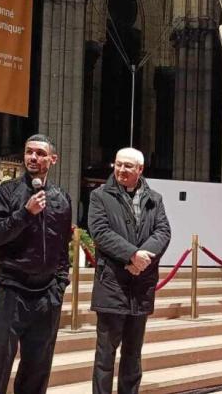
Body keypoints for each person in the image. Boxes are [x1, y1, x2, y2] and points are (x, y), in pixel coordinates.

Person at [0, 134, 72, 394]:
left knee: (37, 368)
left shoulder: (62, 199)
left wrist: (60, 284)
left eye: (41, 153)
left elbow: (63, 249)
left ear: (53, 159)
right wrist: (24, 213)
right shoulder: (5, 192)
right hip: (12, 289)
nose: (34, 157)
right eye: (29, 152)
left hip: (47, 295)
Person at [88, 147, 171, 394]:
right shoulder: (100, 196)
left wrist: (143, 259)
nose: (121, 170)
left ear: (140, 170)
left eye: (128, 166)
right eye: (118, 164)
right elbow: (100, 231)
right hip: (112, 284)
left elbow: (163, 231)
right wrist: (132, 255)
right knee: (105, 356)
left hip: (141, 285)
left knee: (133, 356)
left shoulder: (155, 198)